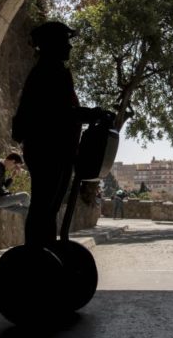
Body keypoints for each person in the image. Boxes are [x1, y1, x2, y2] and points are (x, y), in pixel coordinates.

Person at [11, 21, 107, 246]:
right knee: (43, 207)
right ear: (52, 44)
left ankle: (45, 252)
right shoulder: (48, 72)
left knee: (48, 209)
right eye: (65, 42)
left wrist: (88, 114)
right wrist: (89, 114)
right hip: (48, 151)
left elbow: (63, 111)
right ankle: (37, 256)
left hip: (58, 151)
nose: (70, 47)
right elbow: (58, 112)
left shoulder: (53, 70)